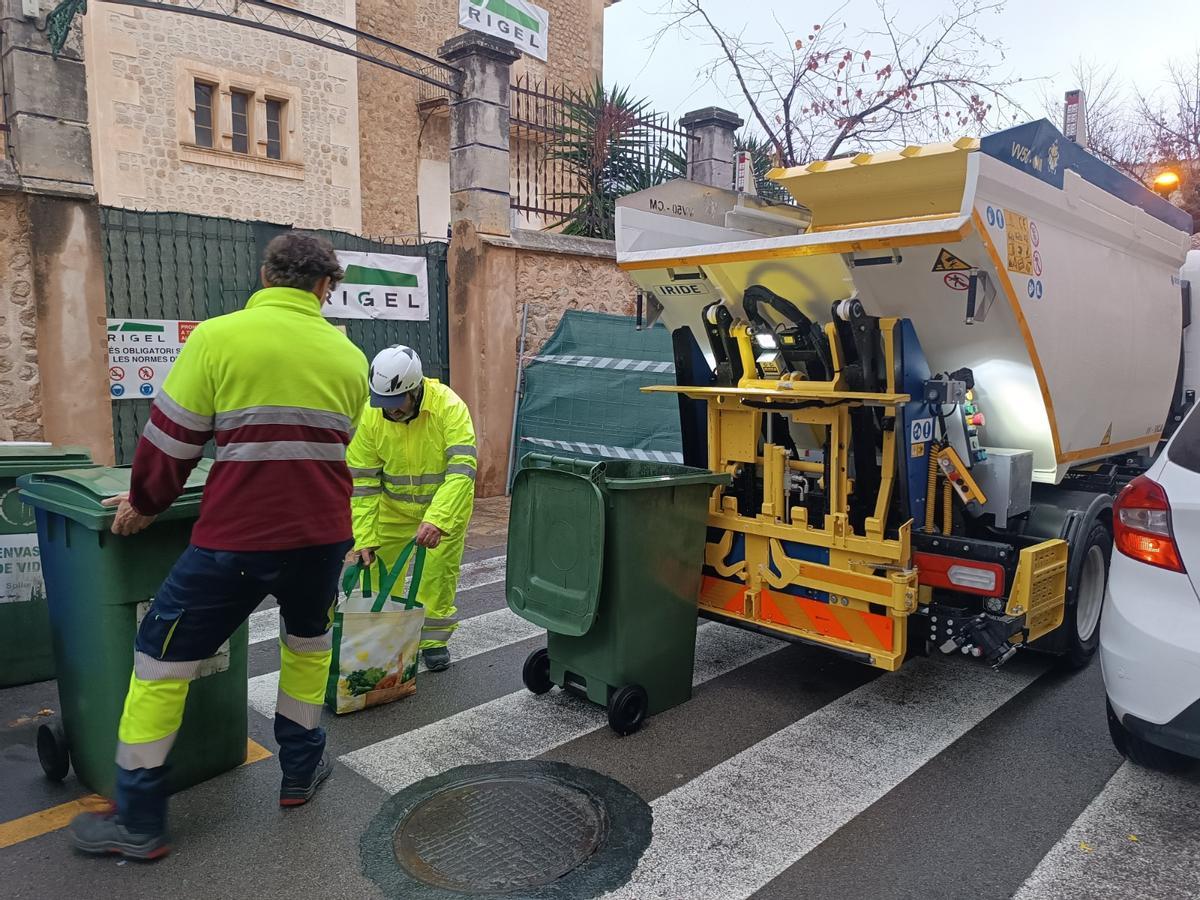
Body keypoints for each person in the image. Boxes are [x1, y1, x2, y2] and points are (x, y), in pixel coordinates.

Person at [69, 233, 369, 860]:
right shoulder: (348, 357)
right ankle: (299, 773)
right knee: (308, 648)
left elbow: (171, 442)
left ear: (265, 277)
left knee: (158, 660)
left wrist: (145, 504)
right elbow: (332, 443)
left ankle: (140, 820)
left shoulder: (217, 338)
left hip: (238, 538)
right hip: (322, 538)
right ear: (324, 287)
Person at [345, 345, 476, 672]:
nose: (389, 411)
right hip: (393, 509)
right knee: (376, 571)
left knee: (436, 576)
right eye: (382, 403)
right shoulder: (371, 416)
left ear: (415, 390)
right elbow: (362, 483)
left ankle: (432, 642)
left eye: (395, 403)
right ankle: (382, 640)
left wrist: (438, 519)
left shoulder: (449, 407)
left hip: (443, 509)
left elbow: (462, 470)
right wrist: (364, 536)